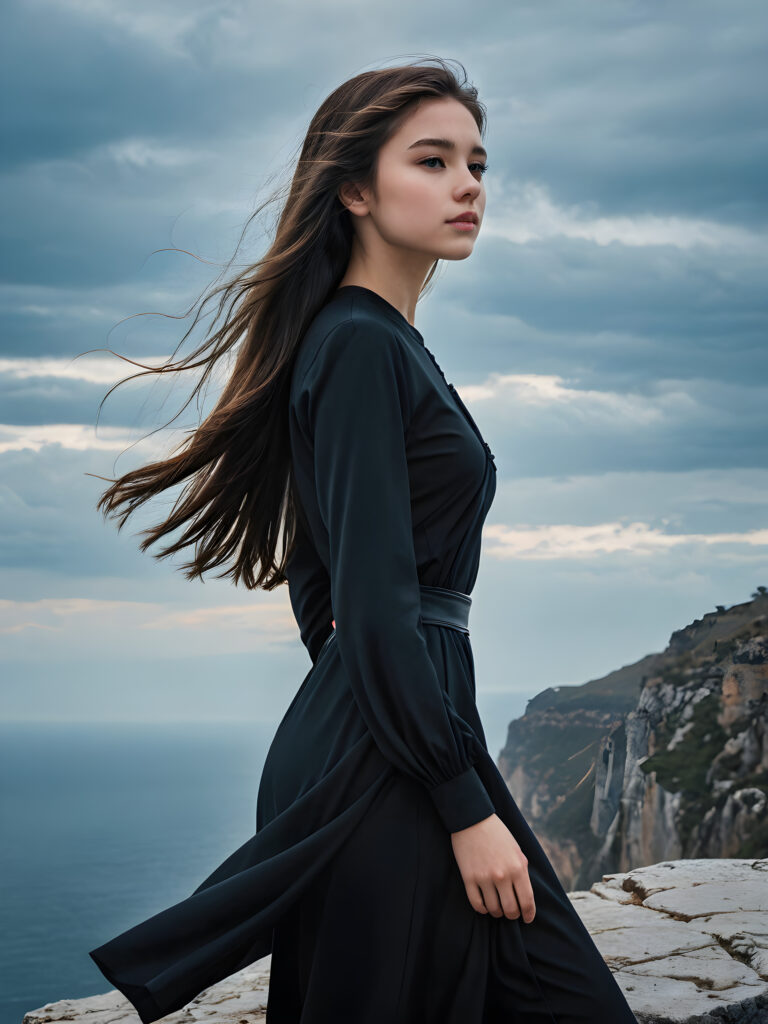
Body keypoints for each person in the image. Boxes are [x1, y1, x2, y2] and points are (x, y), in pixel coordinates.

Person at [87, 58, 638, 1024]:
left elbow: (317, 576)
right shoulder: (356, 344)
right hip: (394, 747)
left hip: (397, 724)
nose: (468, 184)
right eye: (432, 160)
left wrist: (366, 690)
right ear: (353, 188)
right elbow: (368, 599)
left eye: (477, 163)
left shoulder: (377, 341)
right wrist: (455, 796)